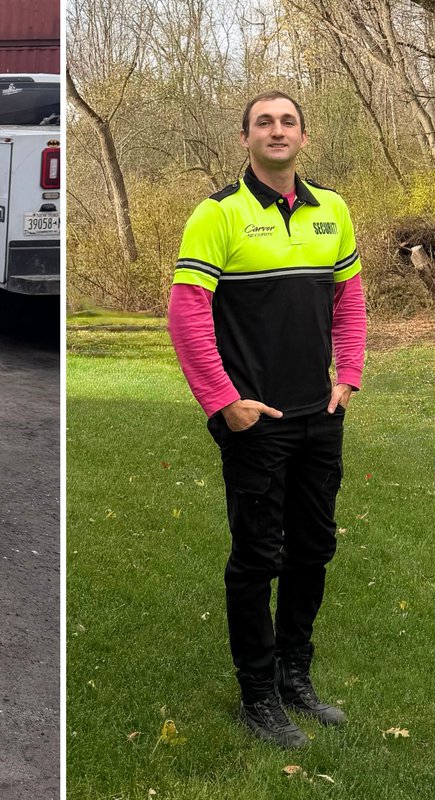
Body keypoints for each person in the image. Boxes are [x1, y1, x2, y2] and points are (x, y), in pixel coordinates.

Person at [168, 90, 366, 748]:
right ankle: (257, 695)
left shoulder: (333, 209)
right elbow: (187, 314)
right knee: (257, 557)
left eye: (287, 121)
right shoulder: (217, 214)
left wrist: (348, 376)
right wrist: (224, 402)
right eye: (264, 122)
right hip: (256, 419)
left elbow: (349, 299)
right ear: (245, 138)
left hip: (320, 414)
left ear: (303, 136)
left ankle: (292, 676)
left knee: (313, 549)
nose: (277, 131)